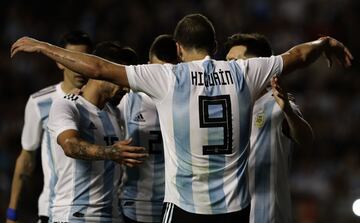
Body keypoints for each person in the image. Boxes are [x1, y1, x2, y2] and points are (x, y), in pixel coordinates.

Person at [10, 13, 352, 223]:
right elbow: (298, 55)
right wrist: (324, 42)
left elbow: (98, 67)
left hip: (186, 207)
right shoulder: (245, 71)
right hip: (235, 210)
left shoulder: (169, 77)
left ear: (177, 49)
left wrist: (45, 47)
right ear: (215, 45)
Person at [46, 41, 148, 222]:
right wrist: (110, 152)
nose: (126, 87)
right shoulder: (67, 105)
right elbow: (70, 146)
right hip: (75, 215)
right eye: (120, 79)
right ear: (101, 74)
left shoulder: (114, 113)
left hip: (113, 215)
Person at [224, 33, 314, 223]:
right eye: (227, 63)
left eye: (235, 62)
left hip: (267, 216)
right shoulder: (225, 107)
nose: (228, 69)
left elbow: (306, 139)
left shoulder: (276, 103)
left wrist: (288, 111)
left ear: (259, 66)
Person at [6, 30, 93, 223]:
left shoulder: (106, 103)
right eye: (72, 59)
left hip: (99, 211)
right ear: (59, 61)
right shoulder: (40, 102)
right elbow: (27, 158)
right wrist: (12, 212)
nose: (78, 67)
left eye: (83, 59)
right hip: (53, 210)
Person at [118, 34, 178, 223]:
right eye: (156, 70)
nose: (160, 78)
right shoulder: (128, 100)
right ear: (147, 66)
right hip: (134, 205)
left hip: (174, 205)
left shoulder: (187, 100)